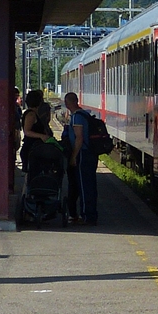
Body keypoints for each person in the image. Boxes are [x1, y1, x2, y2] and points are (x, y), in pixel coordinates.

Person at [64, 92, 98, 225]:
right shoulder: (84, 114)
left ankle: (87, 216)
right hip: (89, 153)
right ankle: (90, 215)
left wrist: (73, 156)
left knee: (84, 187)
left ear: (68, 103)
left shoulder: (77, 117)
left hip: (83, 154)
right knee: (89, 185)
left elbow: (79, 138)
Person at [19, 90, 52, 176]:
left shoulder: (32, 113)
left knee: (31, 177)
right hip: (31, 148)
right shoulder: (31, 115)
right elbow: (27, 131)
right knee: (31, 176)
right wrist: (42, 136)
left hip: (33, 148)